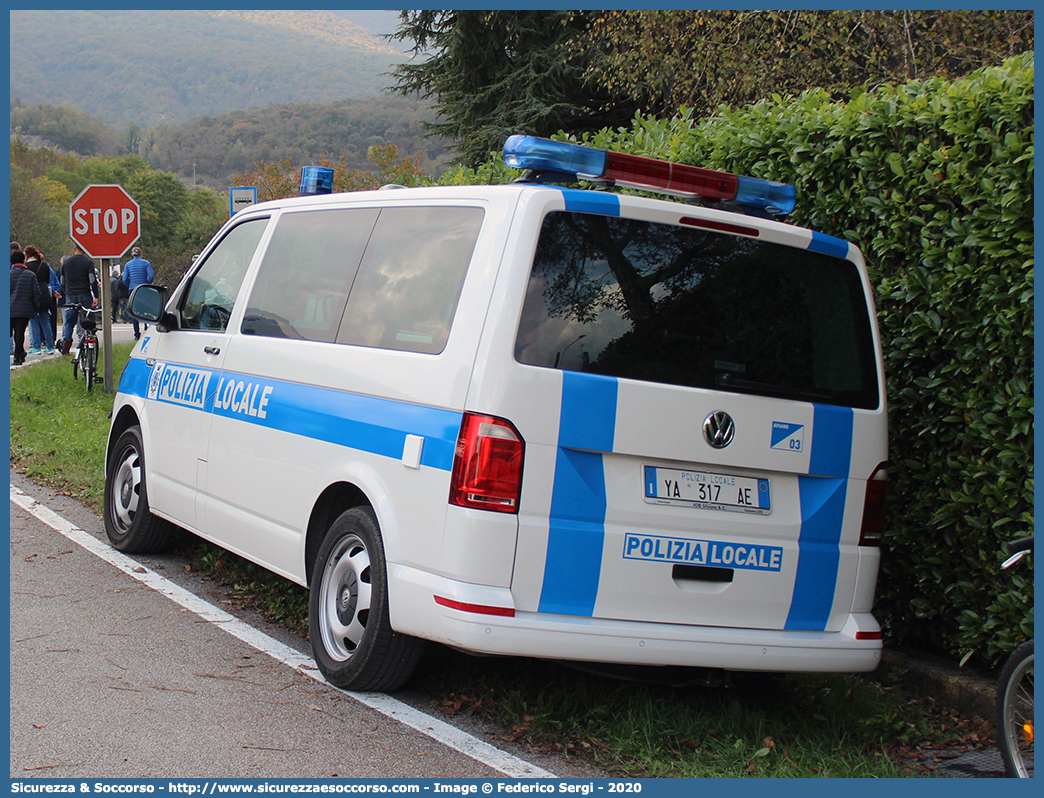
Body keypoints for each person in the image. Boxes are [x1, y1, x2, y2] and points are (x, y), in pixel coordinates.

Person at [60, 243, 98, 356]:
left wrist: (66, 291)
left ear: (75, 248)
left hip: (70, 295)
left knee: (69, 321)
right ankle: (84, 341)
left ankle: (66, 339)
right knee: (85, 319)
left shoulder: (66, 262)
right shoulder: (88, 262)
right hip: (84, 294)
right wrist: (95, 296)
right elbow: (92, 280)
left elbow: (62, 280)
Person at [10, 249, 43, 367]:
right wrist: (35, 308)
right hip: (24, 309)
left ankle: (17, 353)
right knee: (20, 332)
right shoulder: (30, 275)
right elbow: (36, 294)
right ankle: (18, 355)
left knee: (11, 332)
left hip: (9, 309)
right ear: (23, 260)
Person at [24, 245, 57, 355]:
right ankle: (50, 346)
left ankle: (36, 346)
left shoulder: (26, 266)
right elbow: (48, 280)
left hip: (32, 293)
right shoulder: (44, 265)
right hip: (44, 293)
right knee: (45, 320)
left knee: (34, 321)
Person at [122, 246, 154, 339]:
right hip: (143, 288)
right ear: (140, 253)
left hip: (133, 289)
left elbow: (124, 279)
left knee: (134, 311)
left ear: (132, 254)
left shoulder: (128, 264)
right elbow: (151, 276)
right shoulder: (146, 263)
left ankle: (136, 334)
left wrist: (130, 285)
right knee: (146, 309)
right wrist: (147, 283)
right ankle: (146, 329)